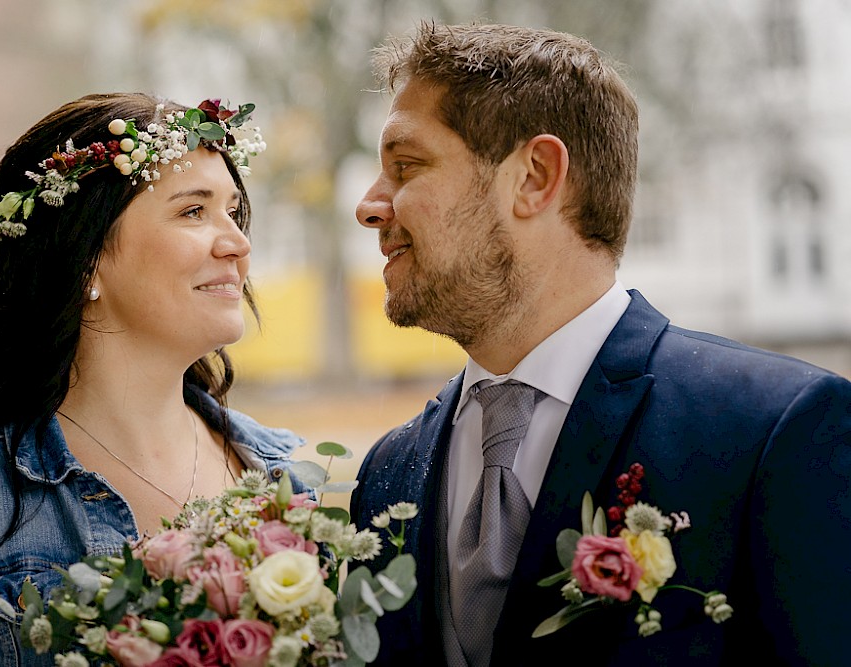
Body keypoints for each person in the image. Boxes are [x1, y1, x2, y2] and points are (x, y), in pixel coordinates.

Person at [349, 22, 851, 667]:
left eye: (406, 166)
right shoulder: (386, 473)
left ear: (535, 177)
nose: (368, 206)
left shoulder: (776, 432)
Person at [0, 92, 305, 666]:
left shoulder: (292, 479)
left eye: (233, 212)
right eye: (194, 211)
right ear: (86, 258)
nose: (238, 244)